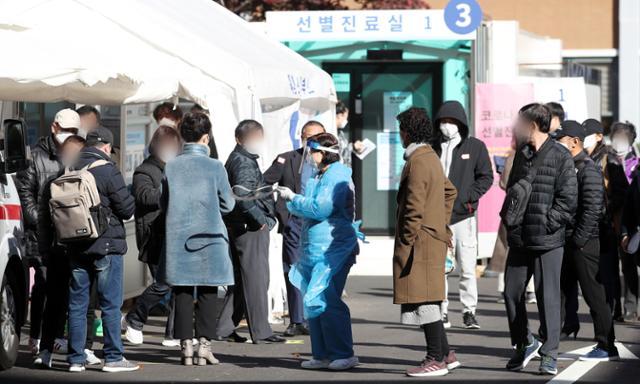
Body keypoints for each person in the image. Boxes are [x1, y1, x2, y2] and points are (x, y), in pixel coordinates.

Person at [502, 103, 577, 376]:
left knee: (548, 299)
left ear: (532, 124)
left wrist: (548, 223)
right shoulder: (522, 154)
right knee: (511, 293)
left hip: (547, 240)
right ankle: (525, 342)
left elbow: (569, 200)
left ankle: (550, 354)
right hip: (521, 238)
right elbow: (512, 191)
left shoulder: (560, 155)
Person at [276, 132, 360, 371]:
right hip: (314, 249)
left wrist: (293, 198)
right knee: (313, 301)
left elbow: (321, 208)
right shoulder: (319, 175)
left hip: (334, 249)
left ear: (325, 153)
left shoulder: (338, 176)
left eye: (312, 151)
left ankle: (343, 353)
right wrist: (293, 200)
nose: (309, 157)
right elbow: (309, 207)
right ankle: (322, 354)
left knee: (328, 299)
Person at [161, 112, 235, 366]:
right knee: (207, 291)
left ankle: (185, 348)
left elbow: (163, 201)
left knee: (181, 291)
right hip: (210, 237)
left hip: (178, 237)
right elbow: (228, 204)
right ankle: (204, 347)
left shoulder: (171, 166)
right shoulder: (216, 166)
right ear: (206, 137)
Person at [391, 107, 459, 377]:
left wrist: (407, 238)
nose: (399, 135)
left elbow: (414, 208)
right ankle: (446, 354)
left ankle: (435, 359)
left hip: (421, 240)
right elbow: (449, 191)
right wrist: (440, 223)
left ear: (406, 132)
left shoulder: (418, 160)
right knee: (427, 296)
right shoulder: (430, 156)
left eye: (400, 130)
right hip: (431, 237)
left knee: (426, 300)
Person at [66, 127, 138, 373]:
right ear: (106, 147)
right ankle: (113, 358)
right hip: (106, 244)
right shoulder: (107, 169)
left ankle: (76, 359)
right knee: (110, 303)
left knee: (77, 303)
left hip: (76, 244)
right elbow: (127, 209)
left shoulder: (69, 168)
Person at [15, 108, 80, 356]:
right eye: (65, 130)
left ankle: (53, 337)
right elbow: (25, 195)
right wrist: (45, 220)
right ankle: (37, 335)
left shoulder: (75, 154)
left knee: (61, 286)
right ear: (54, 127)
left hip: (68, 234)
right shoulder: (35, 157)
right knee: (44, 285)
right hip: (41, 234)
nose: (68, 135)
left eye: (73, 131)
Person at [34, 135, 103, 368]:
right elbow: (44, 220)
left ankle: (83, 348)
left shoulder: (90, 181)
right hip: (59, 251)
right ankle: (47, 349)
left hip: (83, 250)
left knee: (85, 305)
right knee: (55, 304)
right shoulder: (53, 183)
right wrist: (45, 250)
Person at [216, 120, 284, 344]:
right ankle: (261, 331)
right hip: (249, 228)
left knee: (242, 280)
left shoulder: (238, 158)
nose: (258, 142)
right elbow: (243, 197)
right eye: (254, 137)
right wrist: (260, 221)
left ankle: (224, 328)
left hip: (239, 226)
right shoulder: (244, 162)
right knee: (256, 279)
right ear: (239, 139)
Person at [555, 121, 619, 361]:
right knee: (559, 293)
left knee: (594, 295)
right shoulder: (567, 166)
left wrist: (579, 239)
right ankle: (549, 341)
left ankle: (606, 345)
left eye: (560, 139)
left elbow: (593, 208)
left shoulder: (587, 168)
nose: (556, 144)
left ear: (574, 142)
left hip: (584, 242)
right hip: (568, 241)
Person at [263, 120, 326, 337]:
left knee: (317, 271)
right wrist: (279, 214)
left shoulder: (329, 163)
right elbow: (263, 184)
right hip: (295, 223)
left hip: (319, 224)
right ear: (301, 137)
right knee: (294, 270)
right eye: (308, 138)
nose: (312, 142)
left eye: (318, 138)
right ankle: (297, 319)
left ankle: (316, 317)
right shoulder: (287, 159)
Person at [433, 100, 493, 329]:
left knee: (467, 267)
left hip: (464, 216)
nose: (447, 126)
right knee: (441, 268)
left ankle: (469, 311)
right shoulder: (432, 146)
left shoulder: (474, 146)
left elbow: (486, 176)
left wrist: (469, 196)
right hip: (438, 216)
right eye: (443, 121)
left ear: (461, 123)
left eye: (451, 121)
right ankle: (442, 310)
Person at [122, 126, 181, 346]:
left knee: (177, 286)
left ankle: (173, 333)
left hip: (173, 234)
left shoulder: (175, 168)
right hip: (153, 236)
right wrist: (171, 191)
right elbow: (145, 196)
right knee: (164, 282)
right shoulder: (144, 171)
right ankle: (134, 318)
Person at [585, 119, 627, 320]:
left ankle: (611, 310)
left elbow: (620, 191)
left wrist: (606, 211)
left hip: (605, 223)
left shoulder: (608, 158)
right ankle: (607, 312)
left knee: (607, 272)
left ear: (599, 136)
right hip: (591, 223)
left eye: (588, 133)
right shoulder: (585, 157)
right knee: (597, 272)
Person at [610, 121, 640, 321]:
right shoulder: (606, 159)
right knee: (612, 266)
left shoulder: (635, 162)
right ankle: (615, 308)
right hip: (610, 219)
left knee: (629, 264)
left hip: (627, 219)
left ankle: (631, 307)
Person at [335, 100, 364, 167]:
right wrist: (352, 147)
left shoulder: (340, 133)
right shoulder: (330, 132)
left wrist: (353, 147)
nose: (346, 121)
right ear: (339, 115)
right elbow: (339, 153)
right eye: (345, 118)